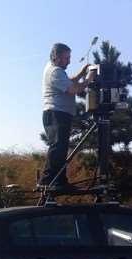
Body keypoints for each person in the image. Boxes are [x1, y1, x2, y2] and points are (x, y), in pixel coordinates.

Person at [40, 43, 94, 188]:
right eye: (66, 58)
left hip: (57, 113)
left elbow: (69, 81)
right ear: (57, 58)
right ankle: (48, 181)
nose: (69, 61)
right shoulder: (55, 72)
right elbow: (72, 89)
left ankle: (59, 181)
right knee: (58, 147)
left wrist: (81, 73)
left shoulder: (55, 69)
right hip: (56, 114)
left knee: (61, 147)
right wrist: (88, 79)